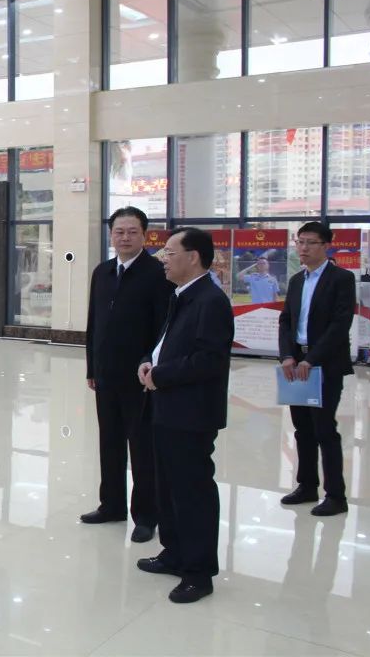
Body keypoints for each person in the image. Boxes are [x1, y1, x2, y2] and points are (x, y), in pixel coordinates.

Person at [136, 227, 233, 605]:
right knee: (168, 487)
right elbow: (166, 344)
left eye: (170, 252)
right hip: (167, 407)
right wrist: (148, 361)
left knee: (192, 492)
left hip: (191, 413)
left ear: (193, 257)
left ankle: (198, 572)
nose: (163, 258)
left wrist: (161, 375)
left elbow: (209, 360)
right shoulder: (182, 294)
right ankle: (174, 553)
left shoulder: (211, 300)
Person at [82, 206, 170, 543]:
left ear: (145, 235)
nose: (125, 237)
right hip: (106, 375)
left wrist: (153, 369)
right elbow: (94, 324)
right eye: (119, 231)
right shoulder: (102, 272)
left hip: (140, 378)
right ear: (111, 235)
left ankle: (146, 516)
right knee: (110, 443)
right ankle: (112, 505)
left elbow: (162, 328)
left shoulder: (157, 273)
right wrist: (92, 367)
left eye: (133, 231)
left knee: (143, 448)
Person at [278, 222, 355, 517]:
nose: (303, 248)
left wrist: (313, 359)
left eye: (310, 242)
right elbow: (286, 320)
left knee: (324, 429)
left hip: (324, 365)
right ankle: (307, 485)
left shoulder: (341, 278)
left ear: (326, 246)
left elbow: (340, 324)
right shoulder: (297, 279)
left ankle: (336, 495)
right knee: (302, 428)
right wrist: (288, 355)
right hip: (296, 363)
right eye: (300, 242)